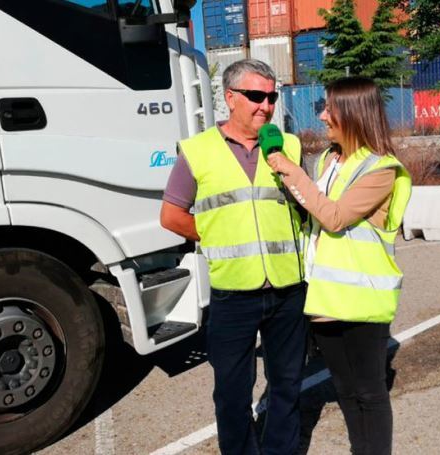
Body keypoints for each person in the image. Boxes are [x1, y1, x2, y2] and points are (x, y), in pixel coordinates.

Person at [160, 59, 307, 455]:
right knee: (231, 394)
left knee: (287, 385)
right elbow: (171, 215)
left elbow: (307, 206)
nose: (266, 106)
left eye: (272, 97)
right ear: (230, 97)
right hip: (233, 293)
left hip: (288, 289)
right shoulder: (198, 151)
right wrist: (214, 235)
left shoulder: (289, 146)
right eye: (256, 96)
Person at [267, 76, 412, 455]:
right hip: (326, 295)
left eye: (329, 108)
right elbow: (313, 212)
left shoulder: (380, 169)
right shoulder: (328, 161)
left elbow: (334, 217)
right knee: (345, 389)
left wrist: (290, 171)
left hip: (363, 299)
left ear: (353, 113)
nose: (322, 116)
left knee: (370, 391)